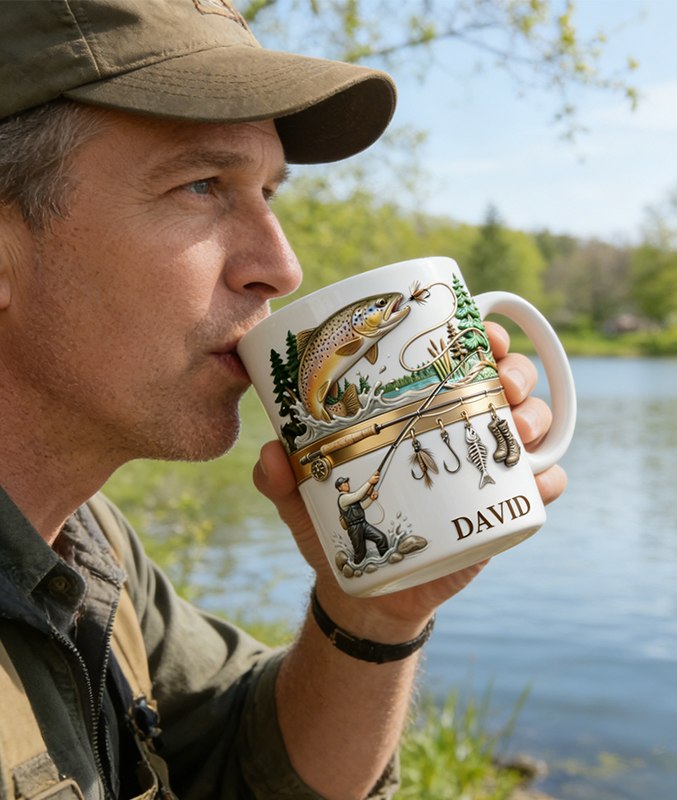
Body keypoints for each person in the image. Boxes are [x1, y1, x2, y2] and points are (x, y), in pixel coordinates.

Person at [0, 1, 567, 799]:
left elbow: (242, 759)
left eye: (269, 192)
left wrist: (374, 609)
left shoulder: (86, 542)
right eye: (202, 184)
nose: (282, 264)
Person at [335, 474, 389, 565]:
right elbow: (357, 496)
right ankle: (357, 572)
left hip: (363, 524)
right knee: (360, 553)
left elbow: (361, 506)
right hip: (354, 528)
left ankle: (387, 561)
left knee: (381, 538)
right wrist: (369, 482)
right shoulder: (343, 498)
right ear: (339, 488)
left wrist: (371, 499)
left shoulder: (349, 497)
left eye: (346, 483)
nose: (347, 485)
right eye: (343, 484)